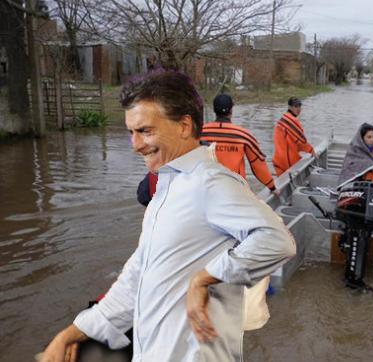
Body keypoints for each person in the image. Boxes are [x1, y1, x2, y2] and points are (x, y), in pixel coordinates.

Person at [40, 70, 296, 362]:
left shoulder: (211, 182)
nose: (135, 145)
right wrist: (74, 332)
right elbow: (137, 278)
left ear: (185, 125)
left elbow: (277, 240)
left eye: (145, 131)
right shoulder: (167, 187)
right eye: (131, 132)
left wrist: (204, 278)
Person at [200, 94, 277, 192]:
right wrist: (272, 186)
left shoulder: (199, 133)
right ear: (231, 110)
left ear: (214, 110)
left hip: (207, 190)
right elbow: (257, 165)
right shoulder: (243, 135)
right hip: (236, 192)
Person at [272, 97, 315, 176]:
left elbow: (296, 142)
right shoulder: (291, 120)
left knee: (281, 186)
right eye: (295, 106)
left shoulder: (282, 119)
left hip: (278, 161)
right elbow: (302, 142)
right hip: (287, 163)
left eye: (299, 106)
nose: (298, 108)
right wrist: (312, 151)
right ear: (290, 107)